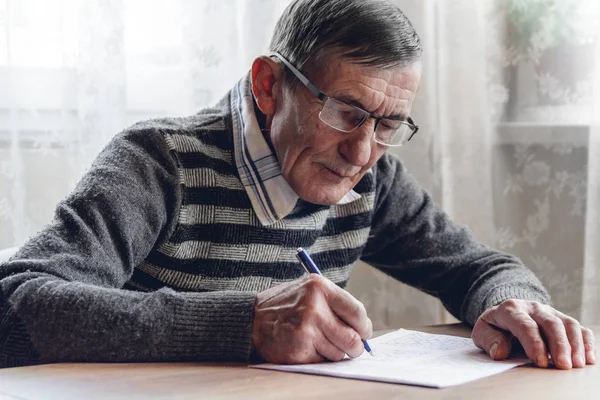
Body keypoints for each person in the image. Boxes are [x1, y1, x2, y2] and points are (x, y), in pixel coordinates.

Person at [0, 0, 594, 369]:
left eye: (388, 124)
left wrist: (516, 305)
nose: (362, 152)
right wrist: (245, 325)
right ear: (267, 85)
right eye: (344, 111)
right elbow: (15, 306)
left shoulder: (374, 177)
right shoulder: (158, 162)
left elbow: (478, 268)